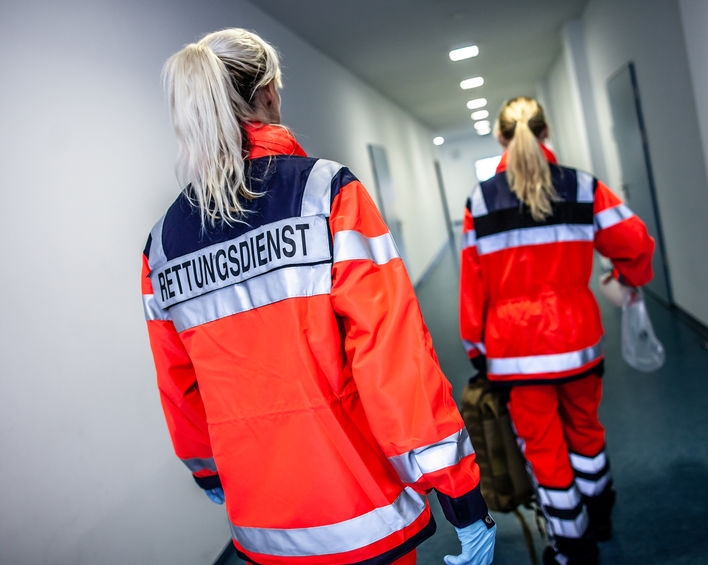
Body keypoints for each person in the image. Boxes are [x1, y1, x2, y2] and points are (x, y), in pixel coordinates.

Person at [141, 28, 496, 565]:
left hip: (263, 526)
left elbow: (178, 381)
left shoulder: (162, 245)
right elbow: (391, 357)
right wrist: (462, 496)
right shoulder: (325, 193)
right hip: (364, 511)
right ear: (268, 94)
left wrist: (207, 469)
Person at [458, 96, 654, 565]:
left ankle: (572, 547)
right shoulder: (584, 187)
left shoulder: (481, 200)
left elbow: (472, 285)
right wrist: (628, 279)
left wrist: (476, 348)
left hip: (515, 351)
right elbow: (635, 240)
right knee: (585, 428)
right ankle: (600, 513)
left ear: (501, 139)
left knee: (544, 448)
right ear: (546, 134)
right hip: (578, 340)